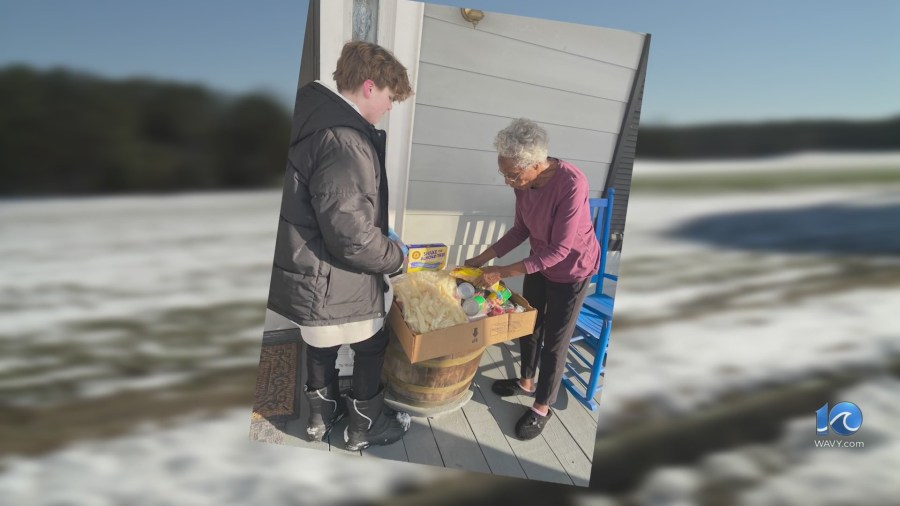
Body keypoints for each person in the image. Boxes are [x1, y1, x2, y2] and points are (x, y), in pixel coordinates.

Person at [267, 41, 413, 450]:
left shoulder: (307, 116)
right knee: (371, 345)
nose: (388, 108)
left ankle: (319, 420)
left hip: (310, 277)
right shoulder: (344, 139)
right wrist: (395, 258)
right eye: (388, 98)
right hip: (337, 280)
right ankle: (363, 428)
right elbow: (352, 237)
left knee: (319, 346)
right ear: (369, 86)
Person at [465, 118, 600, 440]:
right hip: (538, 263)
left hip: (571, 269)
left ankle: (542, 406)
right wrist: (483, 259)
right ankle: (526, 381)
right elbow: (521, 230)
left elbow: (560, 250)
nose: (508, 181)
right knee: (528, 325)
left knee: (555, 342)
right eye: (504, 173)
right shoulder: (522, 184)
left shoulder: (571, 183)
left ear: (537, 165)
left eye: (512, 174)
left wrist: (501, 272)